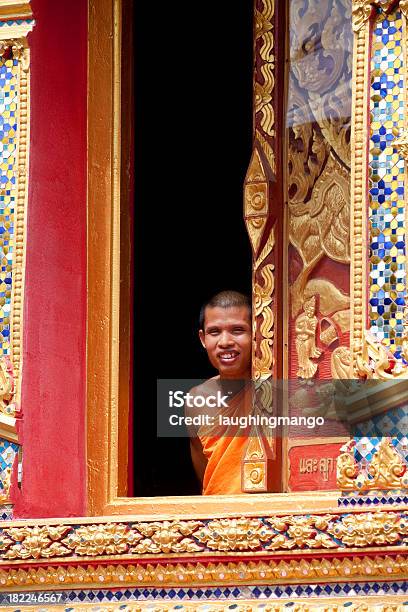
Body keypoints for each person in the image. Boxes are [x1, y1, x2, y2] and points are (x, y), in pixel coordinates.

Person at [186, 290, 253, 495]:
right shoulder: (195, 400)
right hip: (220, 518)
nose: (225, 342)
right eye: (214, 332)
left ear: (257, 333)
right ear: (203, 338)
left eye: (237, 330)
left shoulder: (274, 388)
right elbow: (208, 476)